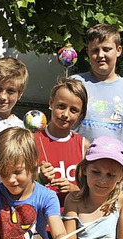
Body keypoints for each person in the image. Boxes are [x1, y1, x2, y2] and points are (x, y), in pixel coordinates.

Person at [0, 127, 68, 239]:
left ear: (33, 163)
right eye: (3, 173)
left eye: (17, 172)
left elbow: (62, 238)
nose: (10, 180)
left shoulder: (47, 197)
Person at [71, 23, 123, 145]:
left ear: (118, 50)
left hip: (115, 163)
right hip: (76, 162)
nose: (100, 55)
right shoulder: (75, 84)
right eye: (95, 50)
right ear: (88, 52)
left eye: (106, 49)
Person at [60, 136, 123, 239]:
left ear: (121, 176)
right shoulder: (73, 200)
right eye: (96, 172)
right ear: (84, 170)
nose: (102, 180)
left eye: (110, 175)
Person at [35, 78, 90, 211]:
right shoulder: (33, 140)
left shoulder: (84, 146)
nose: (65, 114)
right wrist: (40, 179)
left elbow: (93, 191)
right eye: (61, 106)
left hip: (70, 221)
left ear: (81, 114)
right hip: (38, 221)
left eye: (73, 110)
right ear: (51, 103)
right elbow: (18, 184)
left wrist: (74, 190)